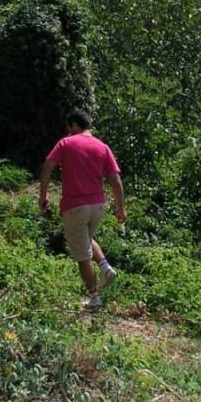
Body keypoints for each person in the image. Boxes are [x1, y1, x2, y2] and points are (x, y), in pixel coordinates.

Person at [39, 109, 126, 308]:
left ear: (74, 125)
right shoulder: (102, 147)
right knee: (86, 239)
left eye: (69, 128)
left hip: (75, 205)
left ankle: (94, 297)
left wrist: (43, 196)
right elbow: (115, 180)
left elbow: (47, 168)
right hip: (98, 205)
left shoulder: (65, 143)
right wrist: (121, 209)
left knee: (82, 256)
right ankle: (105, 267)